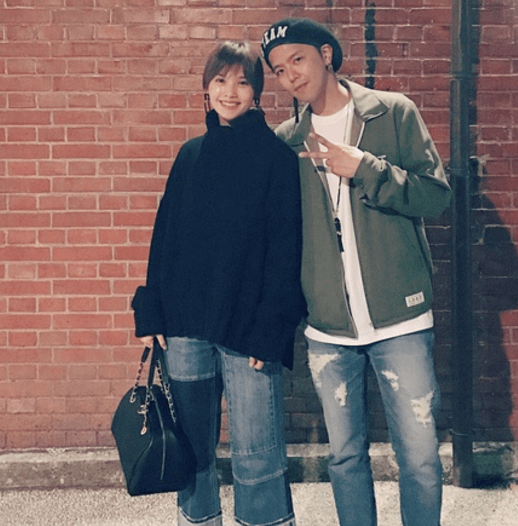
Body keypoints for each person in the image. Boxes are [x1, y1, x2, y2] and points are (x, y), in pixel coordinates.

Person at [261, 18, 452, 526]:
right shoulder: (286, 141)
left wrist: (367, 167)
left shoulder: (392, 113)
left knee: (420, 458)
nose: (290, 76)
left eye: (298, 60)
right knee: (344, 458)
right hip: (329, 328)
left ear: (326, 54)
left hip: (401, 319)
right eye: (279, 70)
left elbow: (435, 196)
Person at [132, 41, 303, 526]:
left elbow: (286, 249)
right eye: (221, 80)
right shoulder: (191, 155)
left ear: (257, 92)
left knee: (257, 456)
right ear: (207, 88)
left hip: (248, 330)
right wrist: (151, 311)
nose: (231, 91)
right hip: (185, 328)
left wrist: (273, 327)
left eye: (243, 81)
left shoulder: (276, 158)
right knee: (193, 456)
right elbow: (165, 238)